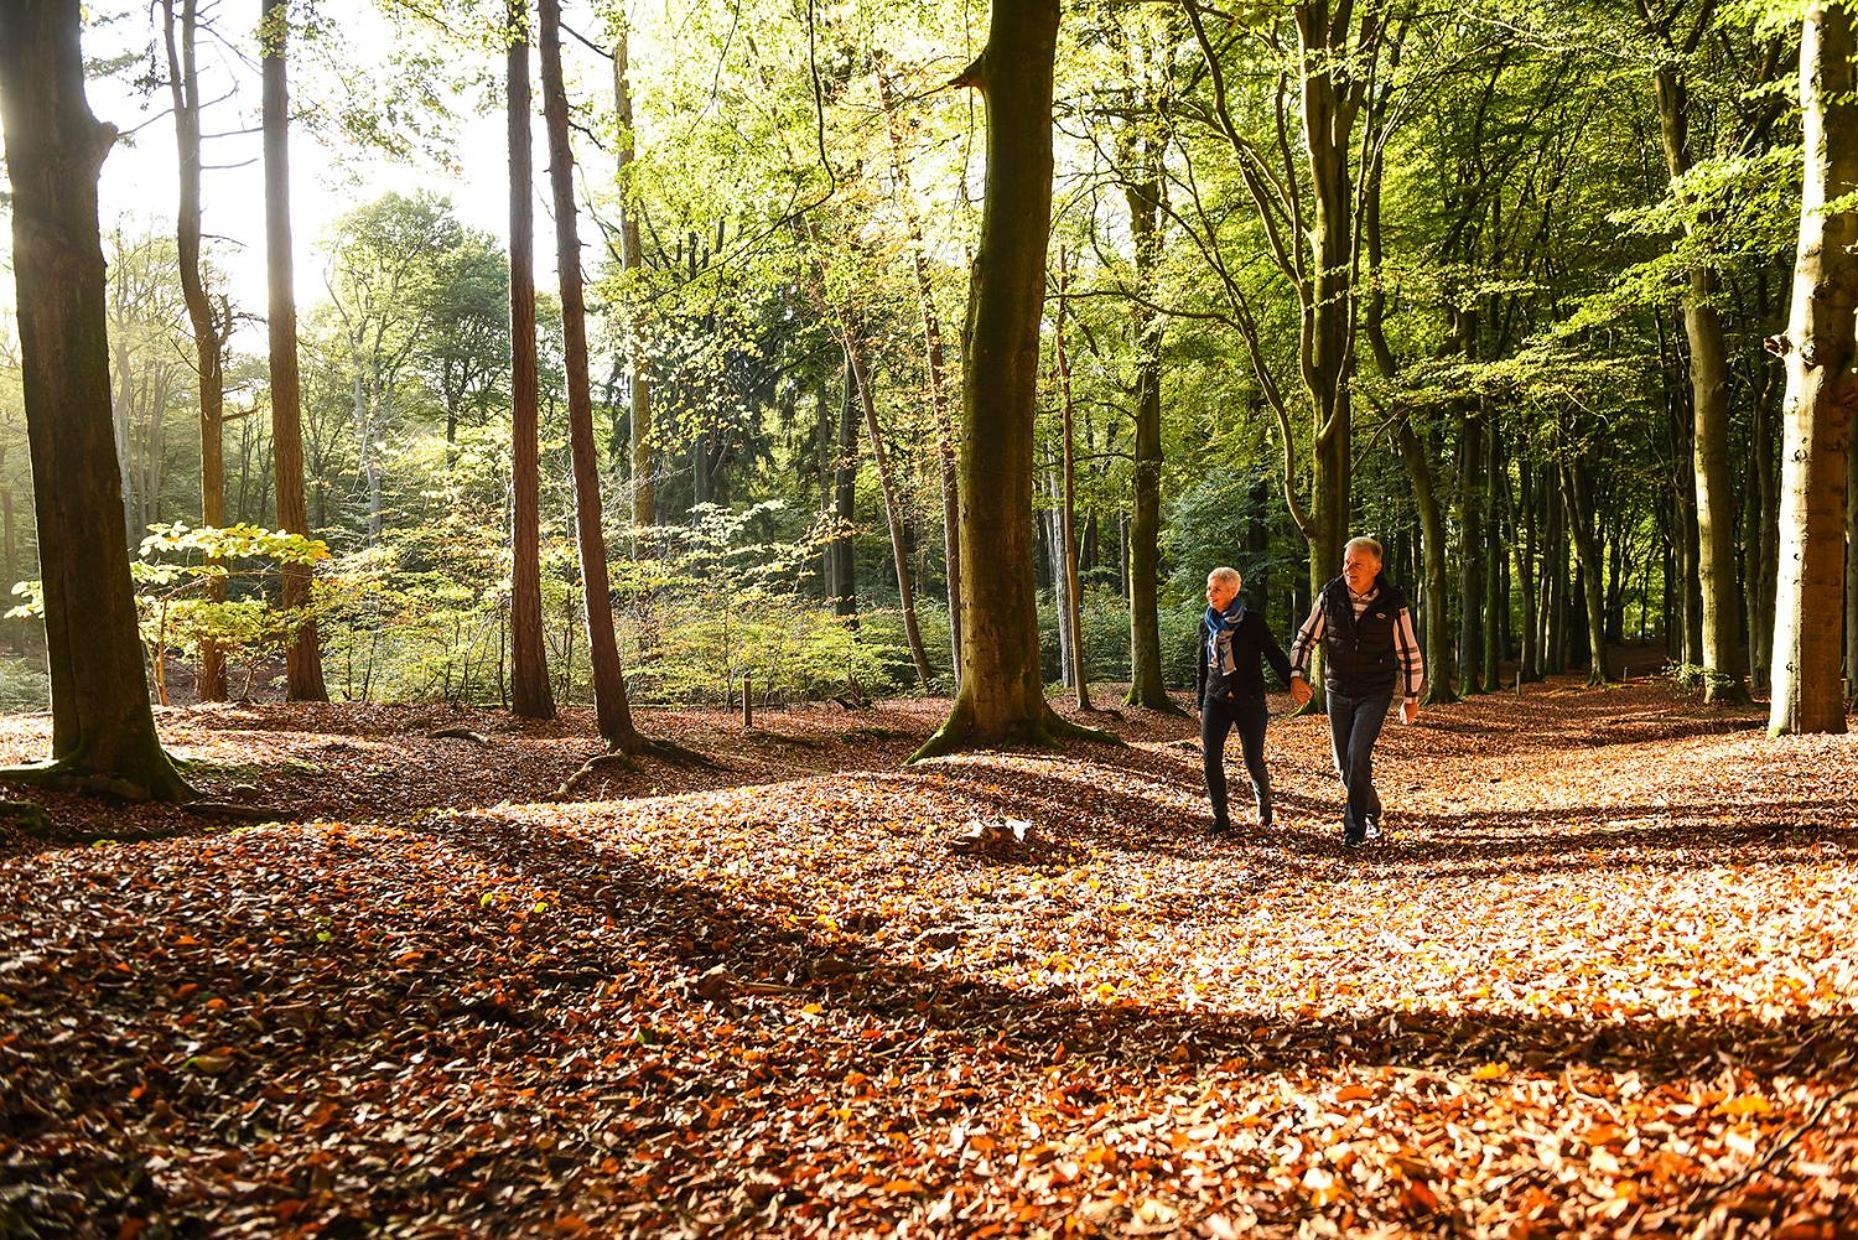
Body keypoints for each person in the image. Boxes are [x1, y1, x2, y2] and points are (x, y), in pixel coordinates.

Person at [1287, 536, 1424, 847]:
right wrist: (1296, 675)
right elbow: (1306, 637)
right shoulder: (1330, 595)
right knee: (1344, 767)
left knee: (1357, 754)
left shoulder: (1392, 601)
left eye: (1357, 564)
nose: (1349, 568)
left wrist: (1411, 697)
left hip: (1375, 690)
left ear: (1376, 567)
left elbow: (1409, 651)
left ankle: (1354, 830)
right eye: (1347, 562)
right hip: (1337, 688)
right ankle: (1372, 809)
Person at [1193, 566, 1294, 835]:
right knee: (1210, 758)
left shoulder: (1252, 622)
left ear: (1232, 591)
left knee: (1253, 760)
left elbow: (1273, 653)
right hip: (1215, 700)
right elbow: (1202, 665)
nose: (1210, 594)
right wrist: (1199, 702)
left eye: (1216, 589)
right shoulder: (1207, 623)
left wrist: (1293, 681)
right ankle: (1221, 818)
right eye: (1208, 588)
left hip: (1250, 701)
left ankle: (1264, 801)